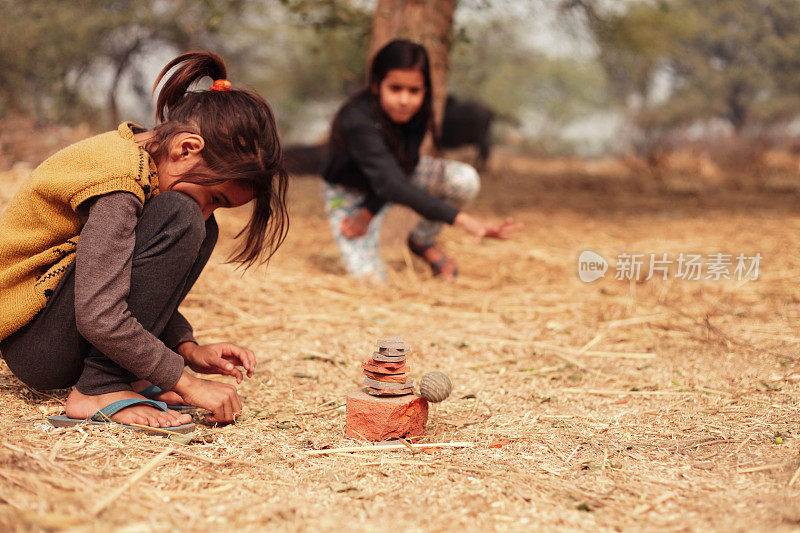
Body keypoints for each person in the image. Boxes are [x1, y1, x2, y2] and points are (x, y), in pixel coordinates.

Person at [0, 52, 289, 430]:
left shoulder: (148, 164)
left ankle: (124, 377)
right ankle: (100, 387)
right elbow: (99, 313)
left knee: (197, 224)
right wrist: (185, 382)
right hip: (36, 343)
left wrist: (185, 347)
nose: (208, 212)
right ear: (186, 148)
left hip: (60, 325)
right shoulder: (119, 180)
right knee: (183, 216)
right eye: (216, 198)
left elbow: (125, 277)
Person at [321, 39, 521, 282]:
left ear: (425, 90)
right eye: (395, 89)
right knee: (371, 282)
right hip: (350, 189)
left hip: (394, 179)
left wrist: (368, 213)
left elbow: (405, 167)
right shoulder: (356, 120)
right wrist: (466, 221)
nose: (405, 100)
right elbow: (390, 183)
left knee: (464, 180)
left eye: (414, 91)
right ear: (376, 85)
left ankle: (421, 240)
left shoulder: (419, 113)